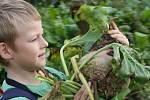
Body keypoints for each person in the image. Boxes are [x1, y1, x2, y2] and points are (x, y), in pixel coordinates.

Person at [0, 0, 129, 100]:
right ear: (6, 51)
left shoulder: (50, 74)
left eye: (42, 35)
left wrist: (117, 49)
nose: (45, 43)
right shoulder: (17, 97)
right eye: (34, 39)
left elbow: (100, 84)